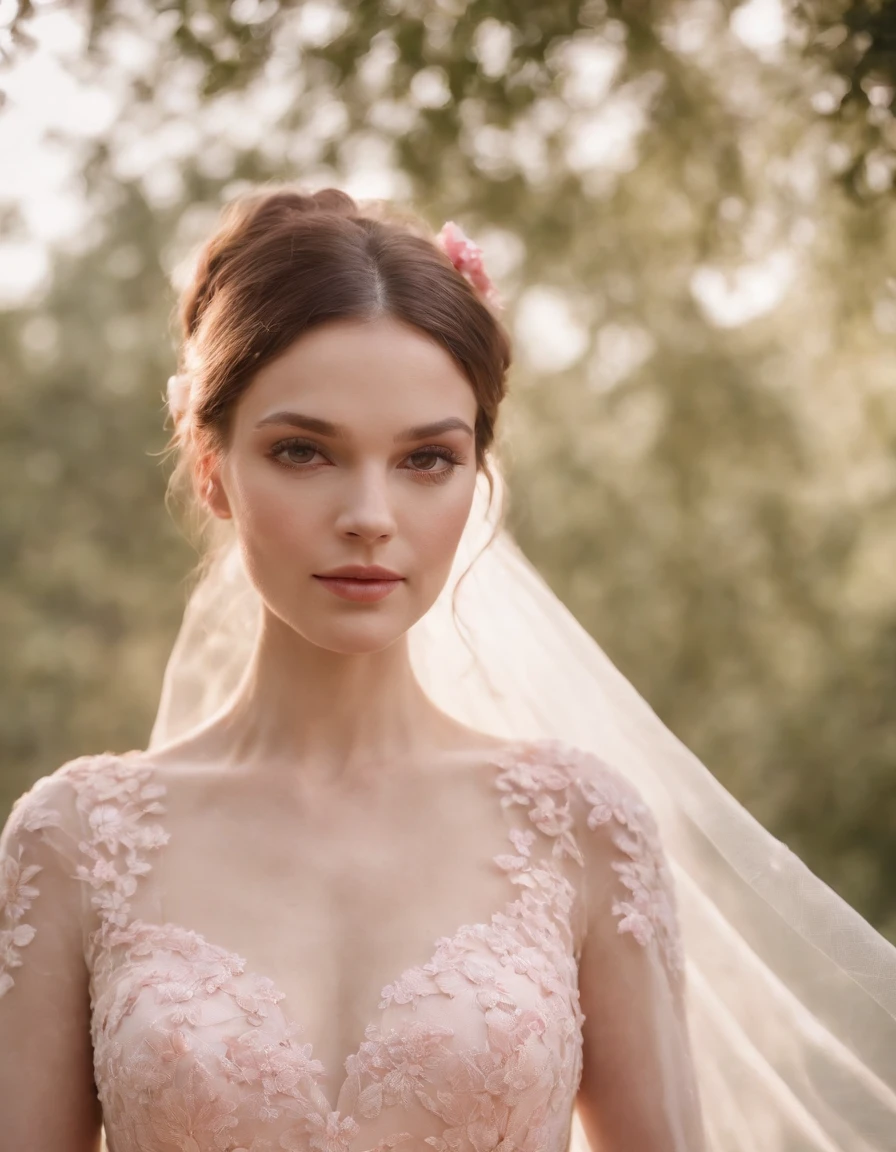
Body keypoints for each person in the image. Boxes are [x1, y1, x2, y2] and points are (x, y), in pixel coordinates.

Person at [0, 187, 893, 1152]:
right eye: (303, 451)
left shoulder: (581, 827)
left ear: (476, 477)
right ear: (211, 466)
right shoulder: (75, 842)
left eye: (426, 459)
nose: (370, 514)